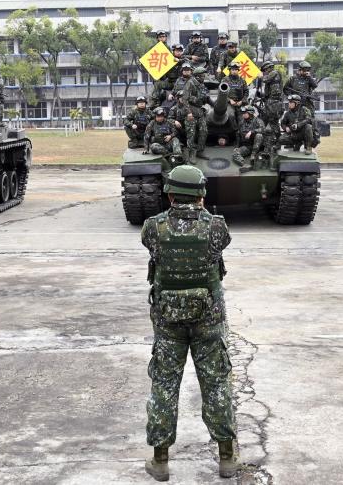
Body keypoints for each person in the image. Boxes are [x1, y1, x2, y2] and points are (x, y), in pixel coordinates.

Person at [140, 164, 237, 481]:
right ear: (201, 195)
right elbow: (219, 243)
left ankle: (161, 461)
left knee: (164, 387)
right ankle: (226, 458)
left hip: (168, 323)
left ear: (169, 194)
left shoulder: (153, 228)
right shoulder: (216, 228)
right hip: (208, 320)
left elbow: (150, 245)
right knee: (216, 385)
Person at [233, 105, 265, 172]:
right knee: (235, 153)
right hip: (247, 146)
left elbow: (262, 129)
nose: (243, 114)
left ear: (250, 113)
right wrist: (237, 146)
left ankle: (253, 155)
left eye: (245, 113)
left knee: (259, 135)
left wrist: (252, 132)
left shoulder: (257, 120)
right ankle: (245, 165)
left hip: (256, 146)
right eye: (243, 113)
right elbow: (238, 134)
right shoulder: (241, 122)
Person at [256, 59, 284, 130]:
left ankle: (277, 137)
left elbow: (266, 79)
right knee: (264, 119)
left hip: (274, 102)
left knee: (273, 122)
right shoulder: (273, 75)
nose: (265, 72)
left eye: (265, 70)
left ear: (268, 68)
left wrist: (261, 76)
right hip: (271, 101)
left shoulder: (274, 72)